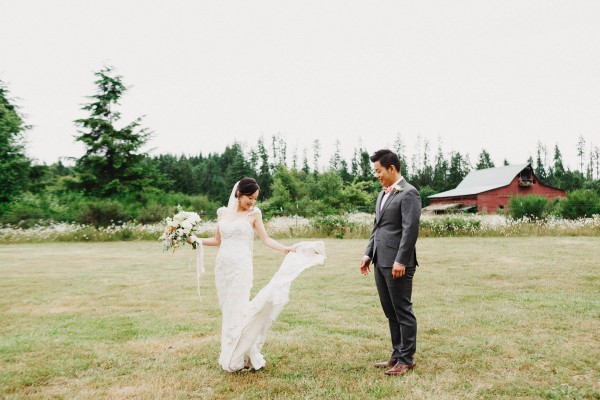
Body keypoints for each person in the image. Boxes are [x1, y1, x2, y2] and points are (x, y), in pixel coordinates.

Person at [191, 177, 325, 372]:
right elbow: (218, 239)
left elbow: (266, 238)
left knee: (239, 309)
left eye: (255, 199)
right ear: (239, 193)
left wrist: (284, 249)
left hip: (241, 267)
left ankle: (240, 356)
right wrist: (197, 240)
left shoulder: (254, 214)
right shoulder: (222, 213)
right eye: (249, 197)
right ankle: (239, 354)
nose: (252, 202)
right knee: (228, 310)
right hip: (223, 268)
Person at [359, 149, 421, 376]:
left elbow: (410, 230)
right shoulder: (383, 193)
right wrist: (368, 254)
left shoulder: (409, 193)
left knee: (402, 310)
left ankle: (407, 359)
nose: (376, 175)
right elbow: (378, 228)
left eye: (378, 171)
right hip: (380, 260)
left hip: (398, 263)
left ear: (391, 168)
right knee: (390, 311)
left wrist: (401, 260)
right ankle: (396, 354)